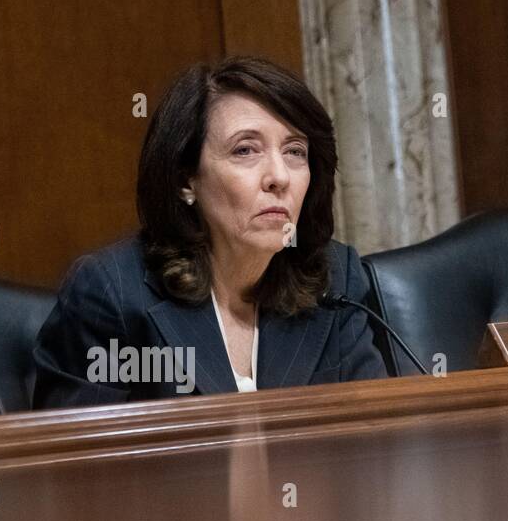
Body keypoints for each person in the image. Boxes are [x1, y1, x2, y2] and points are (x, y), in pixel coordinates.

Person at [32, 56, 388, 408]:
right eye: (245, 150)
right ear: (186, 179)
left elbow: (377, 434)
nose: (279, 176)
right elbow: (81, 460)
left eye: (295, 151)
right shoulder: (113, 294)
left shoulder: (334, 280)